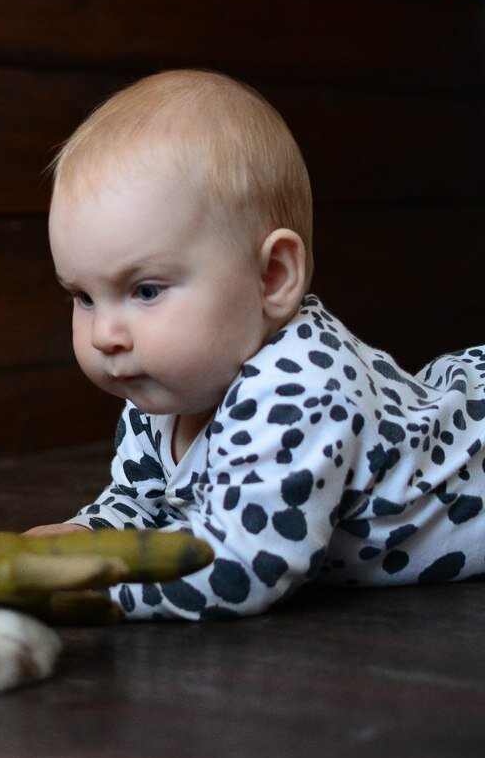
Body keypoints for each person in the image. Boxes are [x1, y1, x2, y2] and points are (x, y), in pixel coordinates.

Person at [24, 69, 485, 619]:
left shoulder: (304, 387)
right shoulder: (160, 394)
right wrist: (84, 535)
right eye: (84, 296)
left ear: (271, 277)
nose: (105, 335)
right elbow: (145, 502)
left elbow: (245, 566)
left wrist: (87, 587)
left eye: (145, 290)